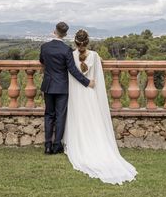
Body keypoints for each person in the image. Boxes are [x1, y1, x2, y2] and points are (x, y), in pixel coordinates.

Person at [63, 29, 137, 185]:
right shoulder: (95, 56)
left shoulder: (70, 55)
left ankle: (79, 143)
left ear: (75, 42)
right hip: (90, 93)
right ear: (87, 42)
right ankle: (95, 143)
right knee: (92, 121)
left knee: (79, 120)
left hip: (76, 95)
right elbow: (97, 77)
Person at [39, 21, 95, 155]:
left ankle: (47, 145)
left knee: (48, 115)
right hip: (62, 87)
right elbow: (73, 70)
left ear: (54, 31)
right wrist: (87, 82)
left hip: (48, 85)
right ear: (64, 34)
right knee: (60, 116)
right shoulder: (66, 50)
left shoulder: (44, 47)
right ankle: (57, 145)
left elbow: (42, 61)